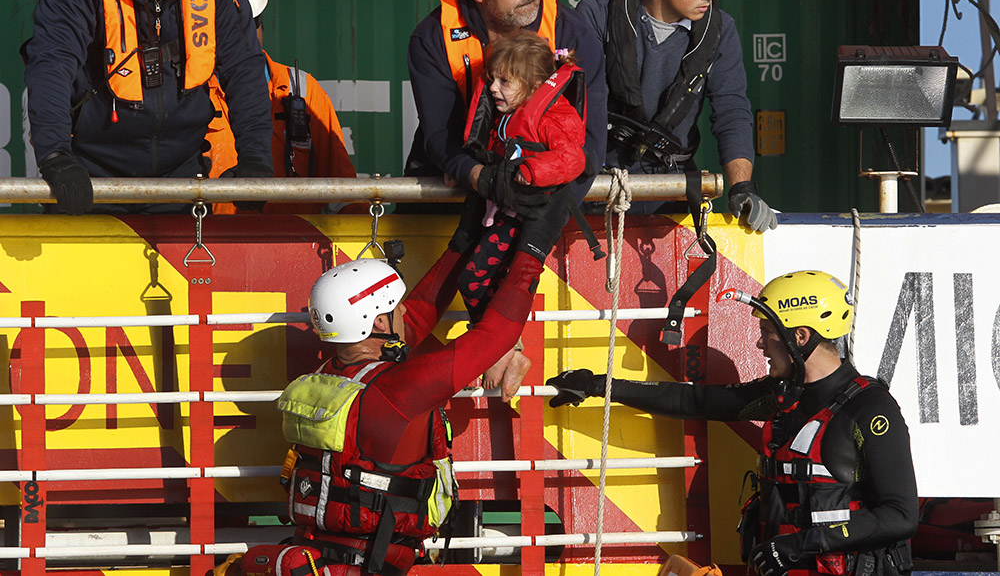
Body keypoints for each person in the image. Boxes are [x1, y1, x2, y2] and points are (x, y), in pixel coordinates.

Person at [214, 211, 549, 576]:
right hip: (374, 565)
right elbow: (495, 337)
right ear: (377, 322)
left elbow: (418, 314)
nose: (406, 309)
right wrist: (536, 243)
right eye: (396, 306)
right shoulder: (398, 390)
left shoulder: (329, 376)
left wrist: (467, 234)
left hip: (326, 554)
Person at [547, 270, 918, 576]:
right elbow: (694, 400)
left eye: (768, 337)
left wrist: (800, 543)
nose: (760, 347)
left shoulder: (871, 410)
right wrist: (600, 385)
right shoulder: (780, 395)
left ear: (800, 337)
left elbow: (900, 517)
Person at [24, 0, 273, 215]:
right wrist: (55, 156)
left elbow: (244, 68)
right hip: (92, 181)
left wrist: (256, 160)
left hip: (182, 183)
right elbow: (52, 64)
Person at [575, 0, 776, 230]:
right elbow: (577, 109)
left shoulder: (721, 29)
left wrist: (742, 187)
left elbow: (732, 111)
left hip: (673, 191)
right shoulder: (597, 16)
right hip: (600, 189)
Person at [403, 0, 607, 219]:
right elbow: (439, 134)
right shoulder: (433, 38)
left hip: (548, 192)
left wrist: (539, 216)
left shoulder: (572, 33)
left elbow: (589, 145)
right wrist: (480, 178)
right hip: (451, 187)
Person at [459, 31, 587, 400]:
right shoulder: (512, 115)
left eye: (504, 81)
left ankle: (496, 352)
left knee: (474, 280)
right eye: (491, 79)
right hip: (501, 211)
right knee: (478, 284)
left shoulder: (552, 116)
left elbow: (574, 158)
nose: (494, 89)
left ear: (534, 85)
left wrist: (531, 172)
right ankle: (503, 354)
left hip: (522, 217)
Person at [203, 0, 358, 214]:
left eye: (247, 25)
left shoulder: (304, 92)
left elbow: (344, 196)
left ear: (261, 24)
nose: (240, 39)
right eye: (227, 30)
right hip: (204, 252)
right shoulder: (184, 95)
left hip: (295, 251)